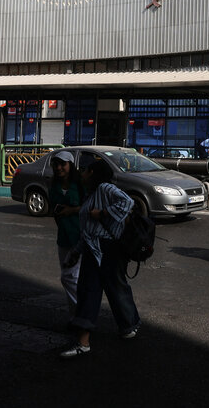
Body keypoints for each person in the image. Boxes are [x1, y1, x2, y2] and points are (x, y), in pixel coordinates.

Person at [60, 159, 140, 358]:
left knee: (95, 289)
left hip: (107, 249)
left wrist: (103, 212)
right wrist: (77, 251)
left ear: (93, 172)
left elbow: (128, 202)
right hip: (93, 248)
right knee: (105, 288)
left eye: (85, 170)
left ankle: (85, 340)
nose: (82, 173)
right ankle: (125, 326)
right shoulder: (92, 192)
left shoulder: (105, 188)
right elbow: (89, 230)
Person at [48, 150, 84, 316]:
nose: (59, 168)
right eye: (56, 165)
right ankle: (75, 316)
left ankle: (82, 316)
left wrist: (72, 210)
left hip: (80, 237)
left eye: (63, 164)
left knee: (69, 278)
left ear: (71, 165)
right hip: (63, 238)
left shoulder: (80, 184)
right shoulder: (53, 185)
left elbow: (90, 207)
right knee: (72, 278)